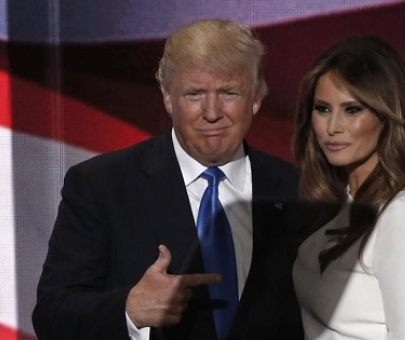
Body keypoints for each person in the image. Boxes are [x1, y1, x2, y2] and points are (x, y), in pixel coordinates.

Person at [33, 19, 303, 340]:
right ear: (167, 97)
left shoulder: (300, 191)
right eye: (195, 94)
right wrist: (129, 310)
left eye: (229, 92)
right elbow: (53, 316)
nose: (212, 112)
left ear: (257, 97)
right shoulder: (100, 186)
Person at [291, 36, 405, 339]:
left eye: (352, 110)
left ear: (387, 115)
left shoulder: (403, 213)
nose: (333, 127)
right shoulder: (347, 198)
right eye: (322, 109)